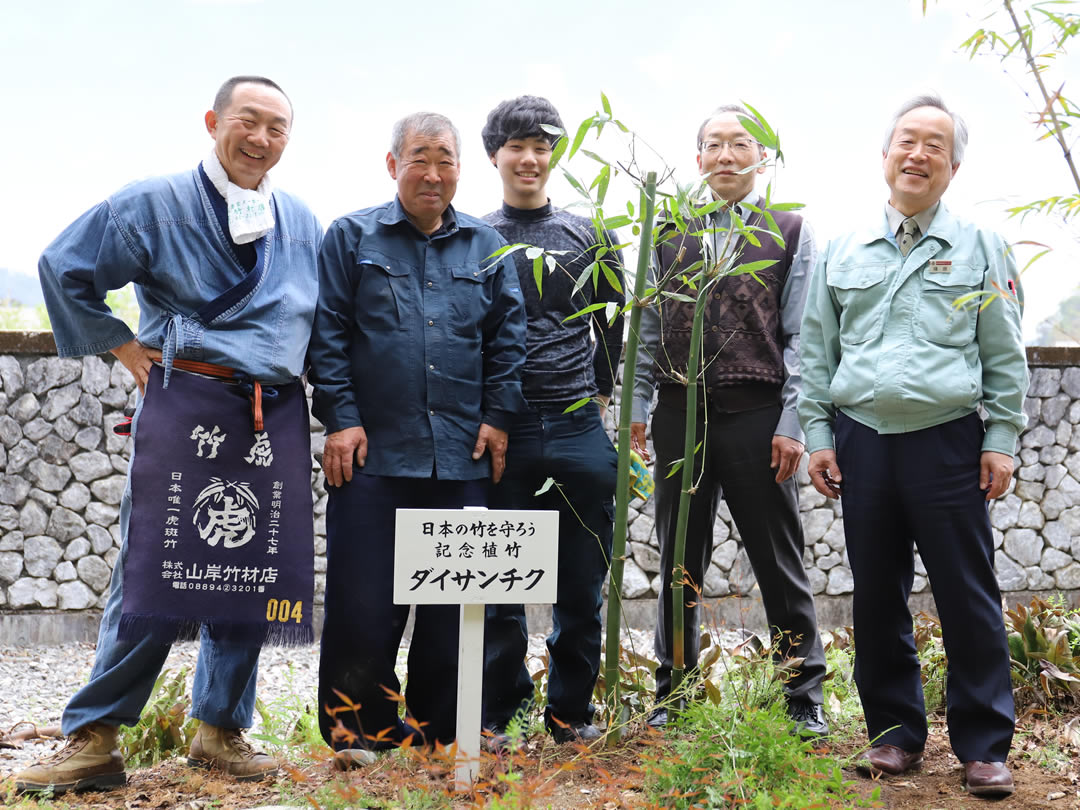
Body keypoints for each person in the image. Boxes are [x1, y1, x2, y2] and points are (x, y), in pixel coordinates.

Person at [16, 76, 322, 793]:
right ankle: (94, 736)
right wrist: (123, 347)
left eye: (278, 128)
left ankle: (220, 730)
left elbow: (324, 321)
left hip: (268, 412)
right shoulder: (155, 202)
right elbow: (65, 267)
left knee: (251, 568)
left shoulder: (300, 219)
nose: (262, 139)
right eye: (249, 121)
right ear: (214, 120)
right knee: (151, 568)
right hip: (185, 399)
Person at [799, 94, 1027, 798]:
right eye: (907, 140)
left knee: (967, 595)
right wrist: (817, 434)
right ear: (886, 153)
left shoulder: (982, 246)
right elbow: (816, 348)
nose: (918, 154)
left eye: (935, 145)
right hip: (862, 440)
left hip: (947, 443)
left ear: (953, 167)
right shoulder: (843, 247)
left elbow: (1005, 351)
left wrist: (1001, 436)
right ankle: (894, 735)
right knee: (876, 597)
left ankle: (984, 745)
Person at [308, 112, 526, 762]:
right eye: (419, 159)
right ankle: (359, 733)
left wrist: (497, 417)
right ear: (392, 163)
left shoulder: (487, 245)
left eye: (445, 160)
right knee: (362, 603)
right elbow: (328, 335)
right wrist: (341, 418)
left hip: (461, 453)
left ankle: (443, 731)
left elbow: (508, 339)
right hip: (373, 453)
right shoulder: (352, 237)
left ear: (462, 167)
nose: (433, 174)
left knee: (453, 606)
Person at [631, 104, 827, 736]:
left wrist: (793, 421)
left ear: (760, 157)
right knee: (678, 559)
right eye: (713, 145)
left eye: (739, 145)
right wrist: (635, 408)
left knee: (778, 558)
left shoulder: (789, 230)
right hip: (679, 413)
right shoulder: (667, 231)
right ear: (697, 160)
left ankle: (803, 697)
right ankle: (675, 694)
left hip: (757, 414)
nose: (726, 156)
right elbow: (648, 327)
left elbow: (804, 336)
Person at [478, 96, 623, 747]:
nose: (530, 158)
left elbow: (617, 324)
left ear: (554, 154)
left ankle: (570, 715)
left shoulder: (588, 235)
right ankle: (498, 712)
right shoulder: (476, 237)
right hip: (502, 432)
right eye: (517, 146)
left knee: (581, 579)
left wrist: (604, 397)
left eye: (542, 146)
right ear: (496, 156)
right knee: (498, 582)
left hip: (575, 427)